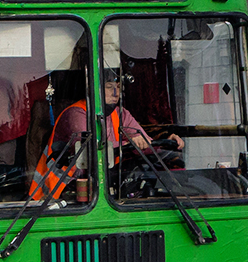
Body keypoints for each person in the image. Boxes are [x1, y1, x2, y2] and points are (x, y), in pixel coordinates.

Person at [30, 69, 182, 202]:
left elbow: (142, 141)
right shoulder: (75, 114)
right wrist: (130, 144)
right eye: (109, 87)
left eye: (117, 87)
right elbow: (89, 150)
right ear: (94, 89)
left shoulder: (120, 113)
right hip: (55, 195)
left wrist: (163, 143)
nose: (115, 93)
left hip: (97, 189)